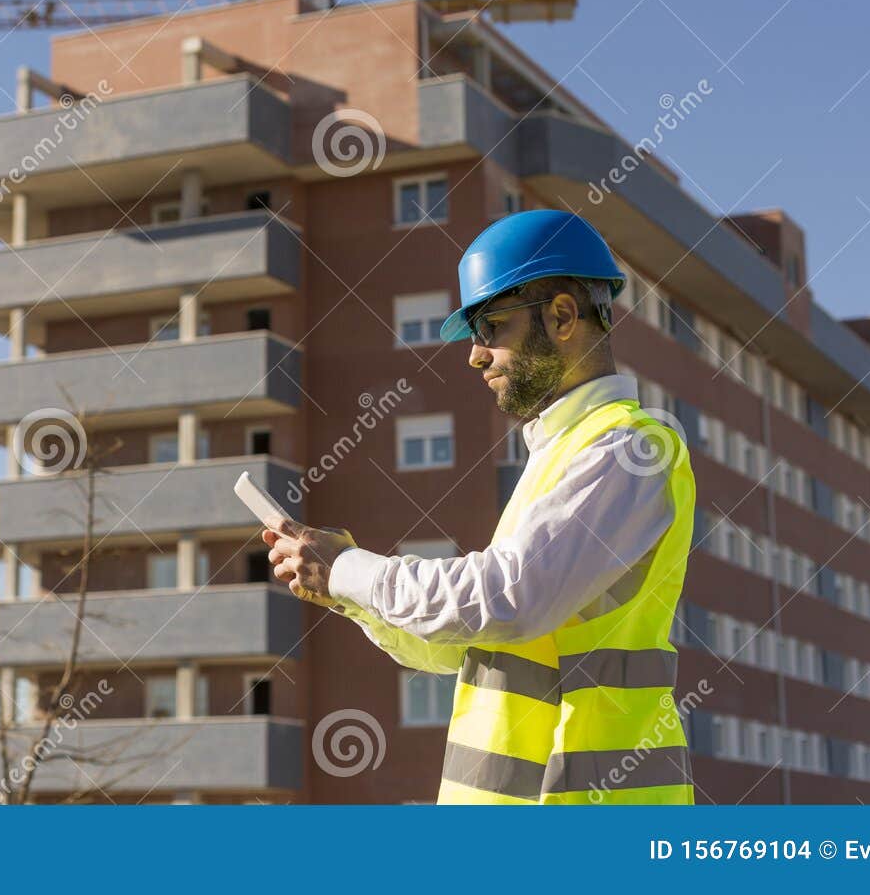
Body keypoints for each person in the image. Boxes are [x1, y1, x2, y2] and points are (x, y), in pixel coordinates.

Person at [265, 208, 697, 804]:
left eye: (490, 327)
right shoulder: (558, 455)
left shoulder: (631, 447)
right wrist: (342, 588)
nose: (475, 355)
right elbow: (466, 646)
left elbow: (507, 597)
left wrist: (348, 568)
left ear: (563, 315)